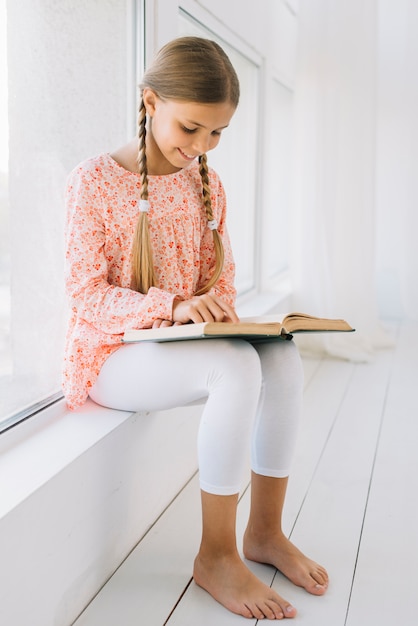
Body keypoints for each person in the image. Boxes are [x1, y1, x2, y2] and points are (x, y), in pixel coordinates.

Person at [63, 36, 328, 620]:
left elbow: (222, 282)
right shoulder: (94, 181)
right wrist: (173, 306)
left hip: (171, 346)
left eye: (216, 134)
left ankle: (264, 531)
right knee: (234, 367)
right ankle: (215, 556)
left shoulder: (207, 185)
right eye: (191, 129)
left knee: (281, 357)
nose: (201, 147)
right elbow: (85, 297)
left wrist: (214, 308)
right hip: (111, 354)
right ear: (150, 102)